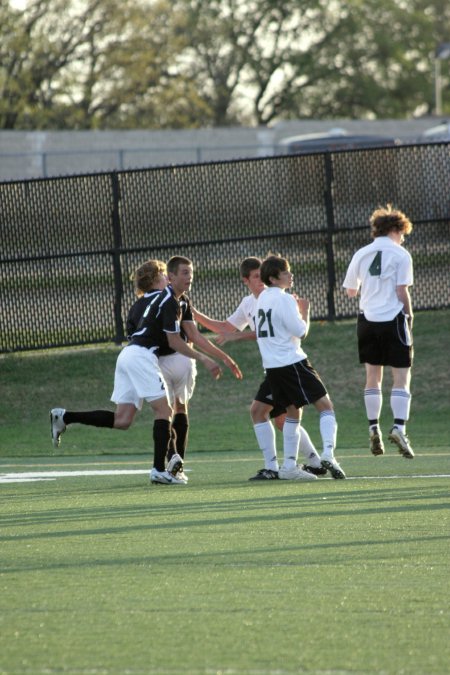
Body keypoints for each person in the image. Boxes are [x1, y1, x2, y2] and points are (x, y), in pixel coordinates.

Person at [50, 257, 242, 485]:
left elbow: (190, 332)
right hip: (141, 357)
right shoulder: (168, 300)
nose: (186, 278)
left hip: (128, 356)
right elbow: (174, 340)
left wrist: (221, 357)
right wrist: (204, 359)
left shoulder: (158, 302)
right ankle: (159, 469)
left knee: (123, 420)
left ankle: (64, 417)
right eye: (176, 274)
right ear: (164, 278)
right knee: (164, 410)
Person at [193, 256, 326, 481]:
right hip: (273, 367)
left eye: (262, 275)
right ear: (246, 280)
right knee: (267, 414)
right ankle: (309, 463)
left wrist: (237, 336)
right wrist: (194, 314)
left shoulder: (276, 297)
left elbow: (270, 331)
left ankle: (289, 466)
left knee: (276, 414)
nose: (261, 280)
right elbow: (226, 327)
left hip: (285, 364)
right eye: (255, 276)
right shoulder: (250, 303)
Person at [255, 254, 346, 480]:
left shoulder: (263, 297)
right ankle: (328, 453)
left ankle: (288, 467)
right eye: (286, 272)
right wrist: (303, 310)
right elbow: (301, 331)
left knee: (293, 413)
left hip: (273, 367)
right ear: (274, 278)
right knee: (325, 406)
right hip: (291, 362)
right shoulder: (284, 299)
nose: (290, 275)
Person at [342, 205, 415, 458]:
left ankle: (373, 428)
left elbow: (351, 291)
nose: (403, 238)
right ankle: (399, 427)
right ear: (395, 229)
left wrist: (370, 291)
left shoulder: (361, 253)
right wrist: (410, 316)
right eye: (402, 232)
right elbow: (401, 291)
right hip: (392, 318)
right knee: (401, 377)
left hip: (367, 321)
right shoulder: (401, 254)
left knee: (373, 376)